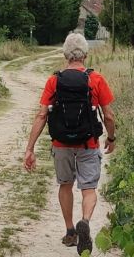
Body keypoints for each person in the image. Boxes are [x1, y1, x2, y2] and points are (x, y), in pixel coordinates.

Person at [22, 33, 118, 254]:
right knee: (89, 188)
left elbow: (41, 115)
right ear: (85, 54)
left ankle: (70, 231)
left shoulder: (54, 80)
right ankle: (84, 220)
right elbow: (110, 116)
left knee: (65, 184)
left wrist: (30, 149)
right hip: (88, 144)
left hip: (61, 143)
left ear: (65, 54)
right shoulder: (96, 80)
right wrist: (111, 139)